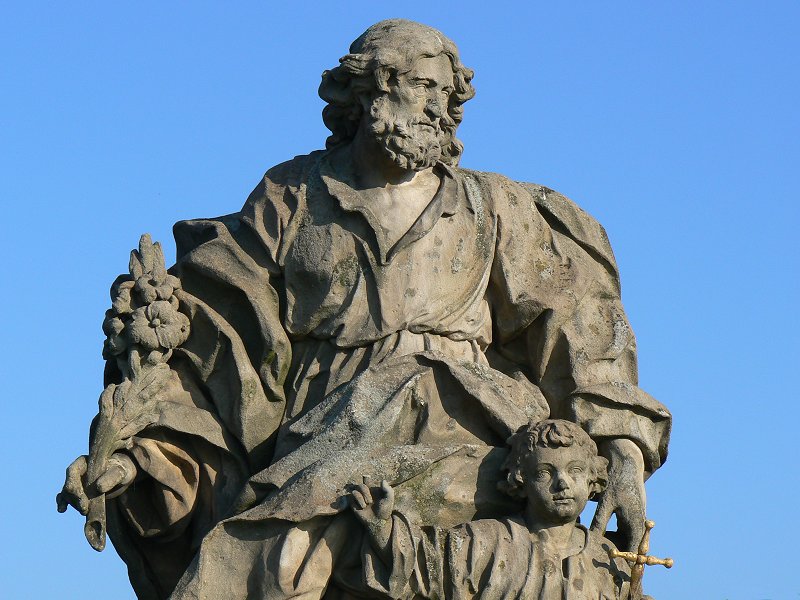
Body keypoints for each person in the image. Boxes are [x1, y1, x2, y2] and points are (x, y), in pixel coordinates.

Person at [57, 19, 670, 600]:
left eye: (447, 95)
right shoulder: (290, 194)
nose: (438, 107)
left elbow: (582, 324)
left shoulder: (498, 207)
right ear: (371, 89)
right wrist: (145, 449)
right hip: (328, 423)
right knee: (275, 543)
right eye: (424, 86)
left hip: (473, 422)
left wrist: (623, 447)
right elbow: (216, 334)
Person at [348, 419, 633, 599]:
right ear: (520, 481)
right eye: (545, 473)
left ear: (593, 478)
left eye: (575, 471)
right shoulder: (485, 542)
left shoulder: (611, 561)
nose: (562, 483)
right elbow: (426, 567)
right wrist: (381, 527)